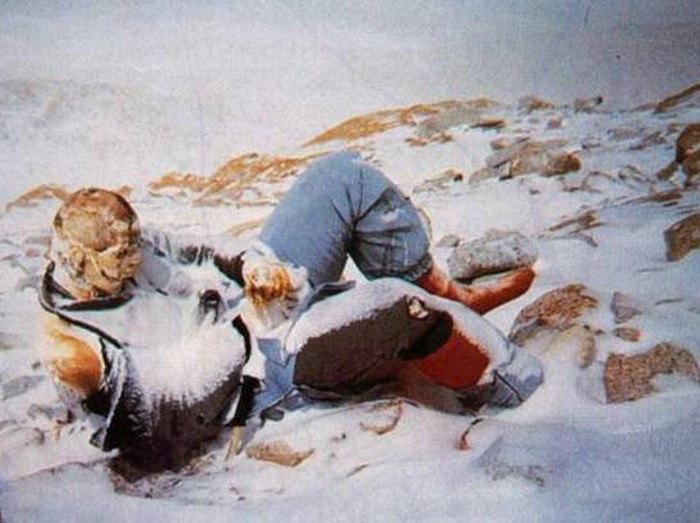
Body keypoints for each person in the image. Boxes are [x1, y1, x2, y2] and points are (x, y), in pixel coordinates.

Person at [38, 152, 542, 473]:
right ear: (79, 261)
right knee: (397, 307)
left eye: (135, 249)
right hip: (260, 371)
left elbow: (198, 251)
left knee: (341, 177)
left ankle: (449, 293)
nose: (134, 260)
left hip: (252, 303)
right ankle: (528, 394)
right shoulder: (76, 353)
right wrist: (248, 325)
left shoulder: (123, 244)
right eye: (121, 258)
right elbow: (174, 419)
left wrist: (251, 267)